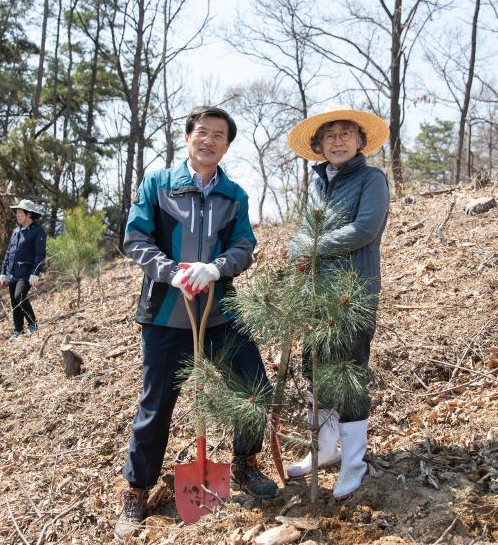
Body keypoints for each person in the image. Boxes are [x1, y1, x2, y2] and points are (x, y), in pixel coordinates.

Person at [115, 106, 278, 538]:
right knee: (156, 404)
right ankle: (137, 488)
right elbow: (134, 239)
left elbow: (245, 246)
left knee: (252, 387)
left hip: (220, 311)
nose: (208, 141)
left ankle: (245, 462)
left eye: (218, 136)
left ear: (227, 145)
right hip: (166, 315)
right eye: (201, 133)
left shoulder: (234, 196)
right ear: (187, 137)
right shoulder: (159, 185)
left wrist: (217, 267)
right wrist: (173, 272)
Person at [284, 109, 390, 500]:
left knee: (348, 377)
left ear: (361, 142)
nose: (338, 141)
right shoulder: (316, 184)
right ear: (318, 146)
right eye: (330, 136)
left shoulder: (371, 179)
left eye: (347, 134)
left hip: (352, 294)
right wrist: (296, 252)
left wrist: (308, 248)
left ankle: (354, 463)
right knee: (315, 370)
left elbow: (365, 229)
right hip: (314, 295)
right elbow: (305, 230)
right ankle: (325, 450)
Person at [0, 199, 47, 339]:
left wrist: (35, 273)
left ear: (29, 214)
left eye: (20, 212)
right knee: (14, 302)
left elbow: (40, 254)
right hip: (13, 273)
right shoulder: (15, 232)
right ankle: (18, 330)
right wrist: (3, 272)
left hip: (27, 273)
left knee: (19, 296)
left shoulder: (38, 232)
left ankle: (32, 324)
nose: (17, 215)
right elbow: (9, 253)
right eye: (17, 212)